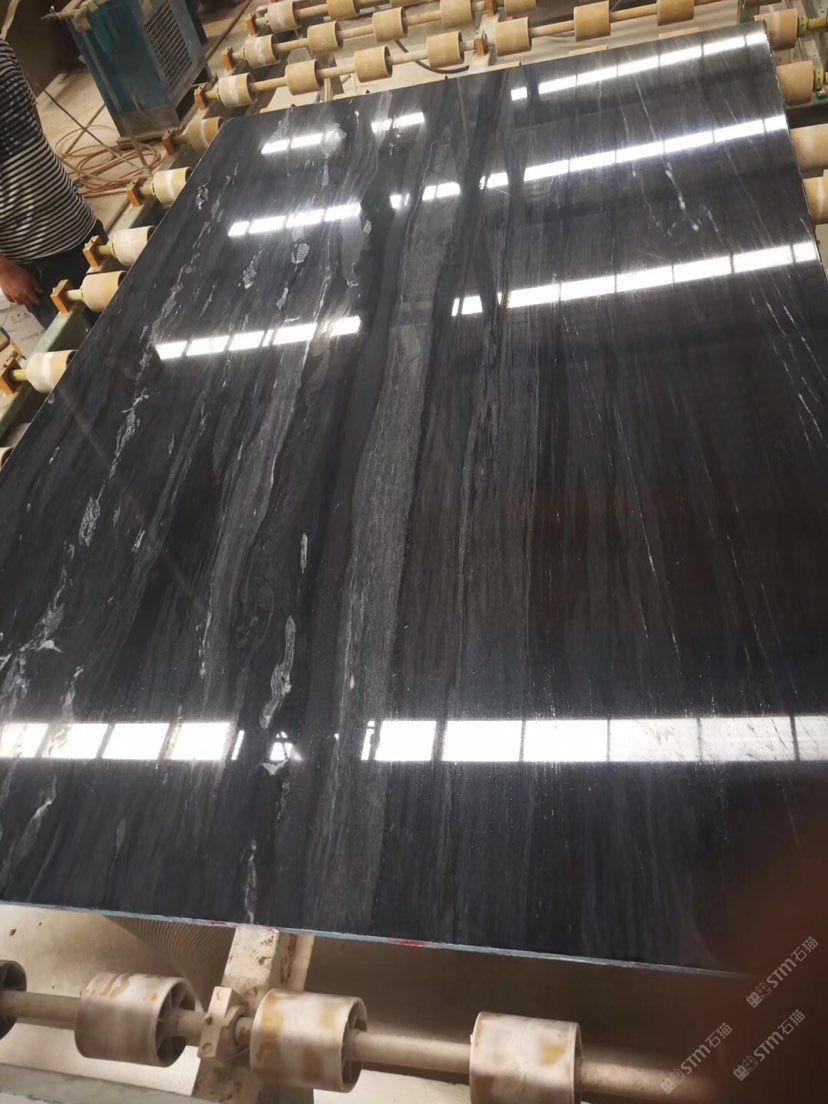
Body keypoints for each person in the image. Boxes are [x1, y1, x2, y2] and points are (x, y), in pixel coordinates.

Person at [0, 36, 102, 328]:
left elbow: (32, 122)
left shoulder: (3, 49)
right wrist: (4, 270)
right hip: (38, 256)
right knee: (86, 342)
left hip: (80, 222)